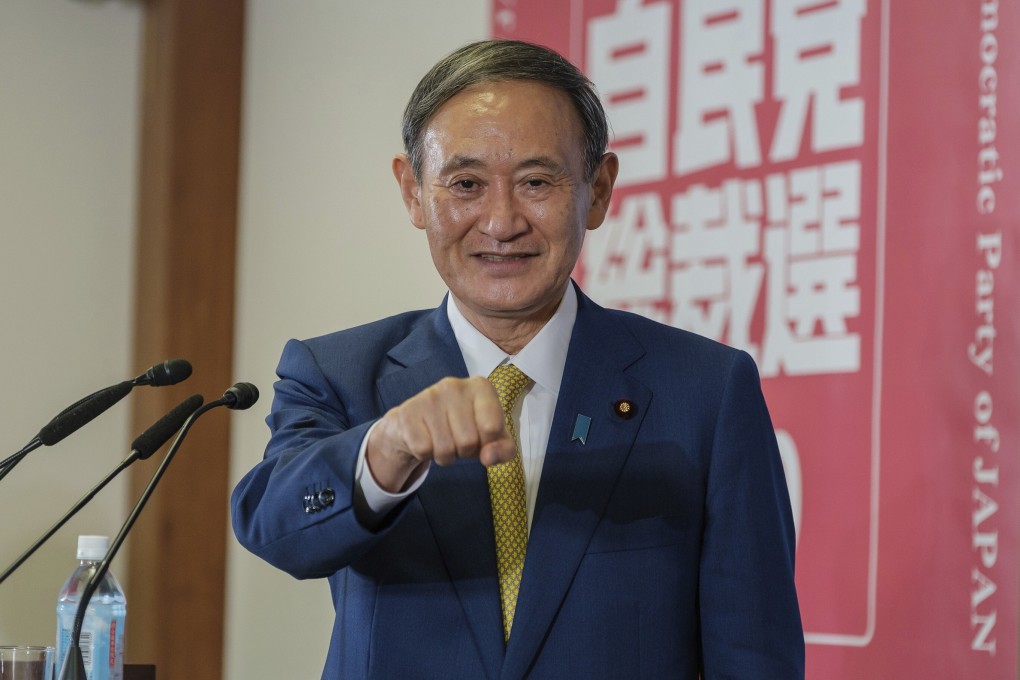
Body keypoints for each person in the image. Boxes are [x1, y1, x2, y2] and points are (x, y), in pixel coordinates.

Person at [231, 39, 804, 679]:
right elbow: (276, 527)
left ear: (599, 189)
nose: (501, 221)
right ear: (413, 192)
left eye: (536, 182)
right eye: (466, 184)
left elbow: (755, 654)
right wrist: (386, 449)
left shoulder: (706, 391)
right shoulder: (338, 372)